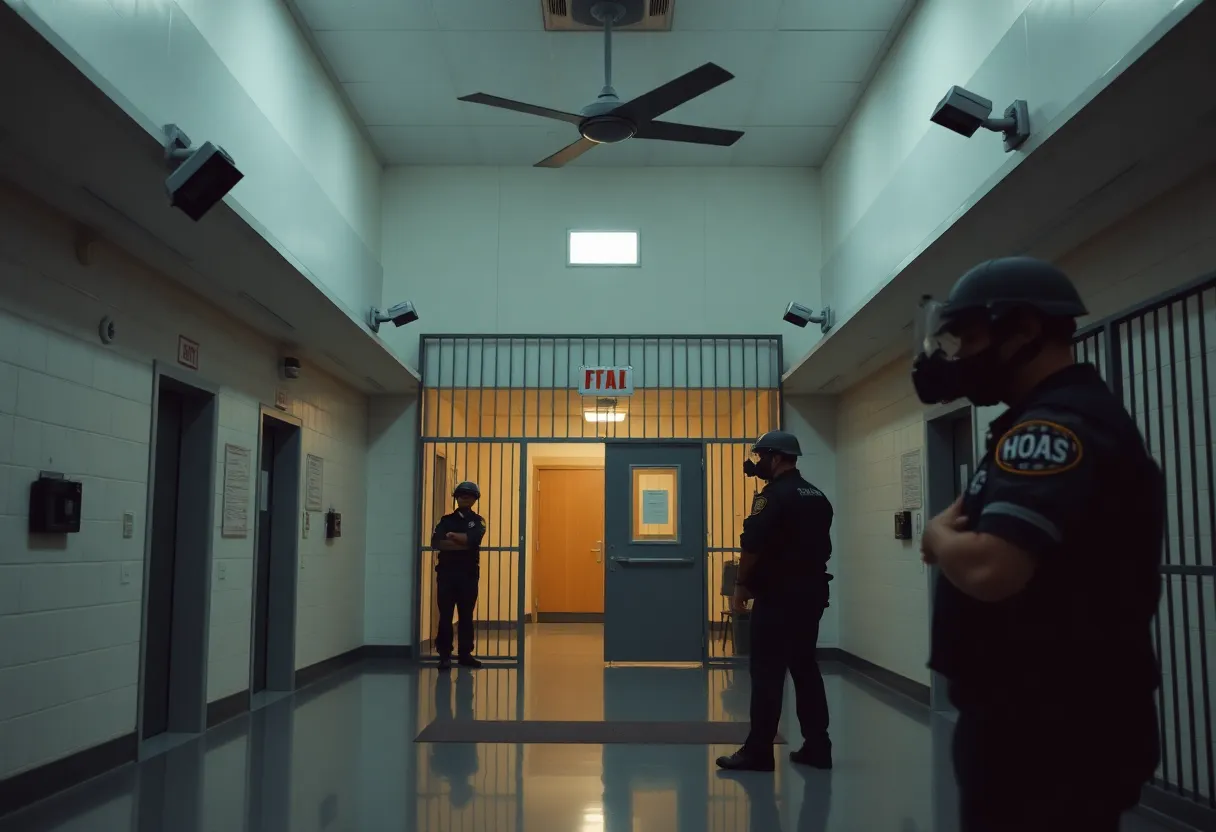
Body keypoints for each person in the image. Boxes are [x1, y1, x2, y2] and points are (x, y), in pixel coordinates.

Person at [912, 257, 1164, 832]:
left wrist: (937, 536)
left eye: (971, 337)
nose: (960, 355)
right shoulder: (1054, 419)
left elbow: (991, 567)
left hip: (1046, 725)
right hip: (1047, 717)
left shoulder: (1052, 428)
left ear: (1023, 329)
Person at [716, 430, 834, 773]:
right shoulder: (817, 495)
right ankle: (818, 746)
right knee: (805, 668)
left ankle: (758, 752)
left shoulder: (773, 496)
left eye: (762, 456)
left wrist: (741, 585)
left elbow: (751, 545)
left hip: (779, 596)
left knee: (767, 672)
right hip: (811, 594)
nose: (758, 463)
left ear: (778, 457)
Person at [432, 481, 487, 671]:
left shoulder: (478, 521)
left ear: (475, 499)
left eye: (469, 495)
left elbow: (473, 540)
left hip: (468, 575)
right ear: (456, 497)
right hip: (447, 575)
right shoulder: (445, 519)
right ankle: (444, 655)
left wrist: (453, 537)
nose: (465, 497)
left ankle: (465, 654)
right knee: (445, 615)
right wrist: (462, 540)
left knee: (466, 616)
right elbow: (437, 542)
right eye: (461, 494)